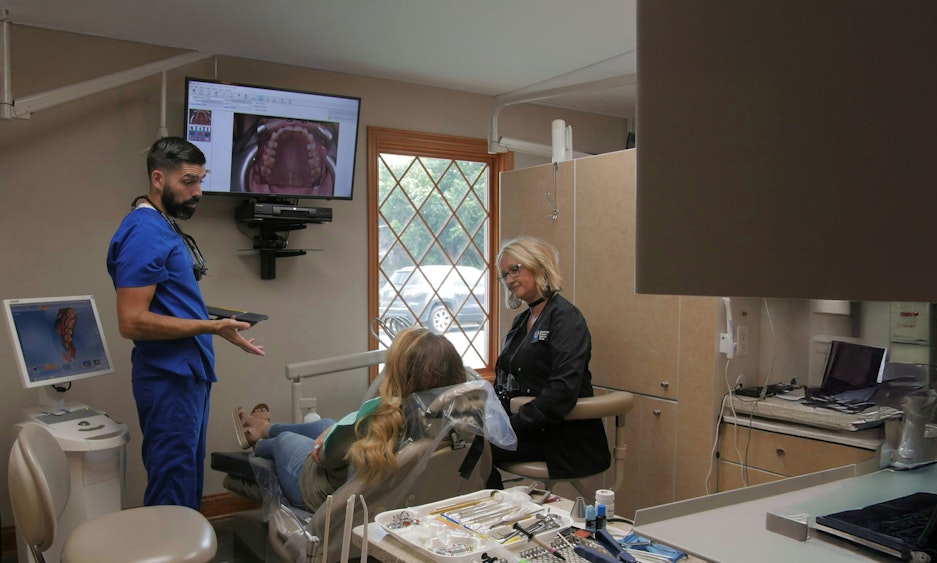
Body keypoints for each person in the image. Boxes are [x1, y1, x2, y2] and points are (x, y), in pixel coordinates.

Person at [107, 136, 266, 509]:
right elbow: (131, 321)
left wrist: (219, 325)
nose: (198, 192)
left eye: (201, 181)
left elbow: (168, 302)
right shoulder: (144, 231)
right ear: (158, 178)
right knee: (172, 487)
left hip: (186, 375)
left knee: (186, 481)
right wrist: (209, 328)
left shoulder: (162, 226)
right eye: (188, 182)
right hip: (167, 379)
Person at [234, 326, 468, 512]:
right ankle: (264, 427)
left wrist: (326, 440)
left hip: (322, 492)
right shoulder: (452, 423)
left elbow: (323, 458)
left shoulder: (378, 422)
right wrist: (331, 431)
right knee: (324, 424)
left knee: (285, 440)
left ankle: (258, 441)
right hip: (350, 474)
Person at [486, 236, 610, 489]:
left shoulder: (566, 319)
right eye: (504, 275)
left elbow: (563, 391)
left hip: (561, 437)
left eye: (515, 269)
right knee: (464, 443)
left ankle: (495, 507)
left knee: (472, 450)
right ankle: (495, 505)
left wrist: (511, 426)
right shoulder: (521, 322)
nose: (509, 280)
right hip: (528, 428)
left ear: (539, 265)